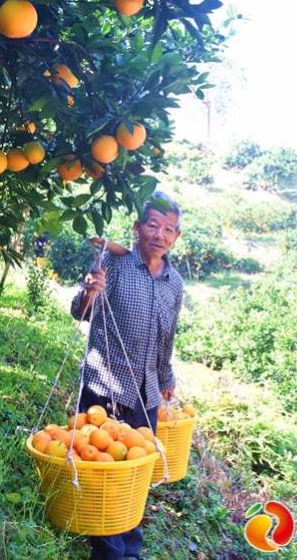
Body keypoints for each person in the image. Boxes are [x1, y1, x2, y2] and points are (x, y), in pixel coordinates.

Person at [69, 192, 185, 560]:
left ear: (176, 237)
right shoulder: (115, 265)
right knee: (102, 471)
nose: (160, 234)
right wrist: (90, 288)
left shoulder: (174, 283)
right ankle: (108, 553)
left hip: (146, 396)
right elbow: (80, 311)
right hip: (106, 387)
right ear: (138, 228)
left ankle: (130, 550)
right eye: (153, 225)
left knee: (135, 476)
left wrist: (166, 379)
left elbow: (167, 336)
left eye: (168, 229)